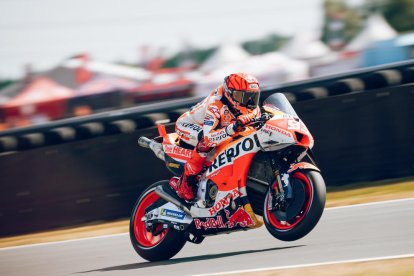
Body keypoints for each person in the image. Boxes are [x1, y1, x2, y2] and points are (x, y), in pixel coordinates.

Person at [170, 73, 262, 201]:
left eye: (253, 97)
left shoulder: (251, 108)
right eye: (244, 97)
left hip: (219, 126)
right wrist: (231, 129)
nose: (249, 102)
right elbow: (209, 138)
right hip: (189, 125)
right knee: (205, 143)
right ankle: (186, 182)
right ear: (230, 94)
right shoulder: (216, 104)